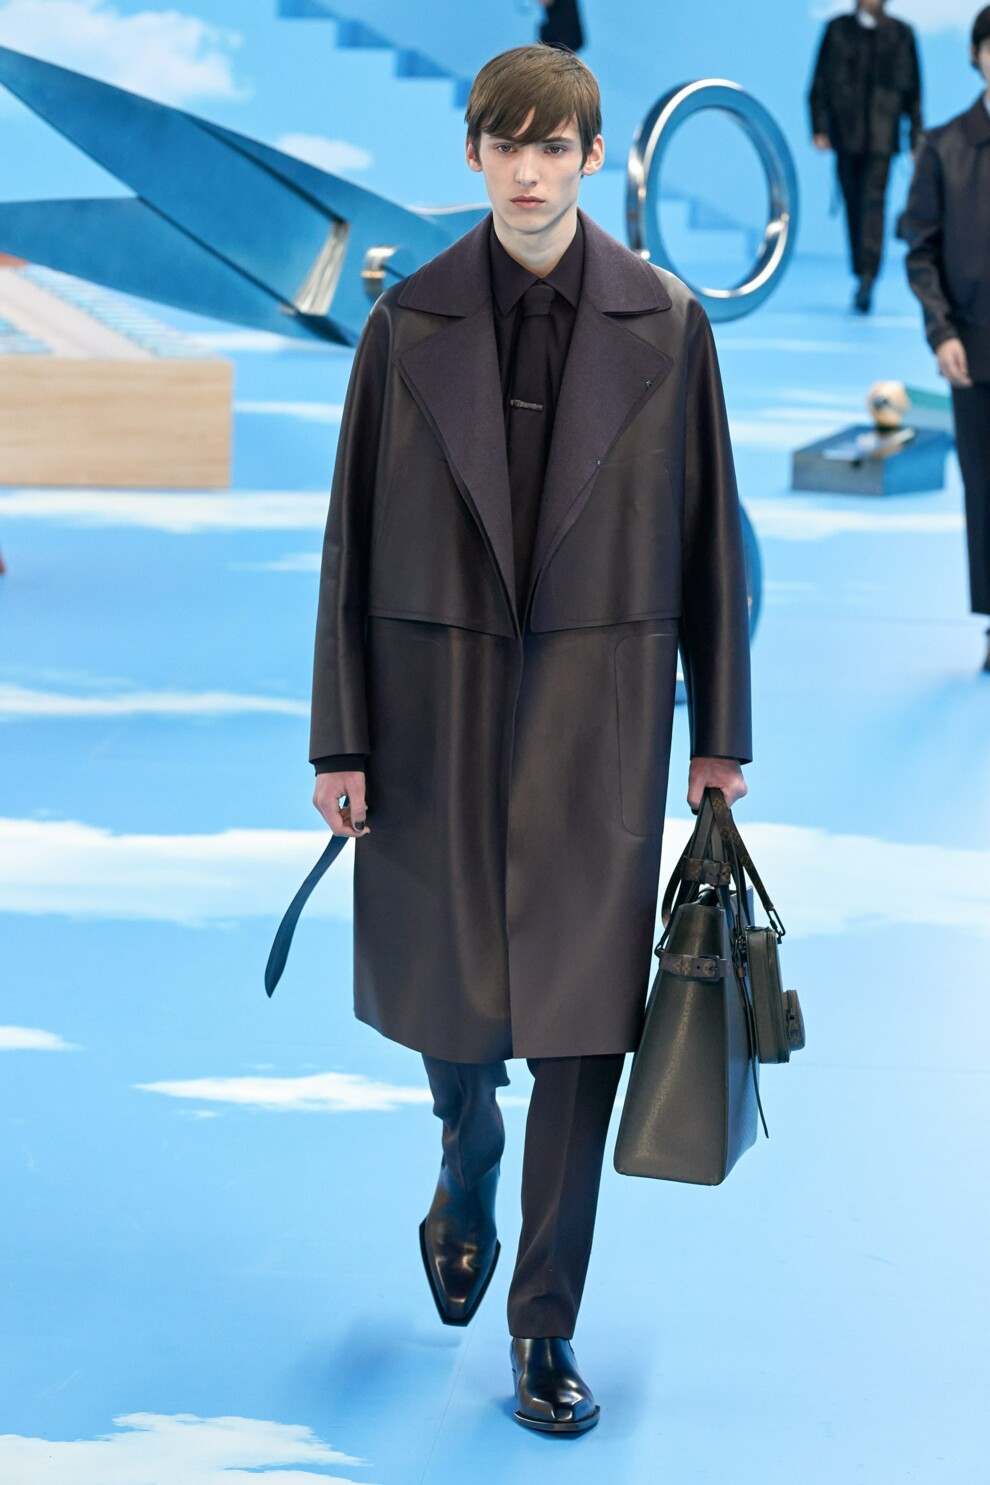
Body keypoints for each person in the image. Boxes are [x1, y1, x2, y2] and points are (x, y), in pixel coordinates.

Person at [309, 44, 751, 1434]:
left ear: (591, 158)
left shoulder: (669, 325)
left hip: (595, 715)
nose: (528, 171)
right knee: (452, 992)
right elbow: (346, 542)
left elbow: (710, 544)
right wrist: (339, 742)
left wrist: (719, 735)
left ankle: (542, 1322)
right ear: (473, 155)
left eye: (554, 147)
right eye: (506, 145)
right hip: (430, 703)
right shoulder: (404, 325)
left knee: (580, 1019)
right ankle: (464, 1144)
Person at [901, 8, 990, 672]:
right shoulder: (945, 145)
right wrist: (941, 331)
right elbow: (922, 249)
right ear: (977, 54)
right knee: (984, 489)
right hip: (974, 349)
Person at [809, 0, 923, 313]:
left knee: (874, 204)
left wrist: (915, 137)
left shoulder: (902, 34)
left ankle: (868, 278)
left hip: (882, 137)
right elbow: (819, 81)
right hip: (846, 134)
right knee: (853, 205)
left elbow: (914, 92)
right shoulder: (837, 30)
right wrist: (819, 127)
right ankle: (861, 271)